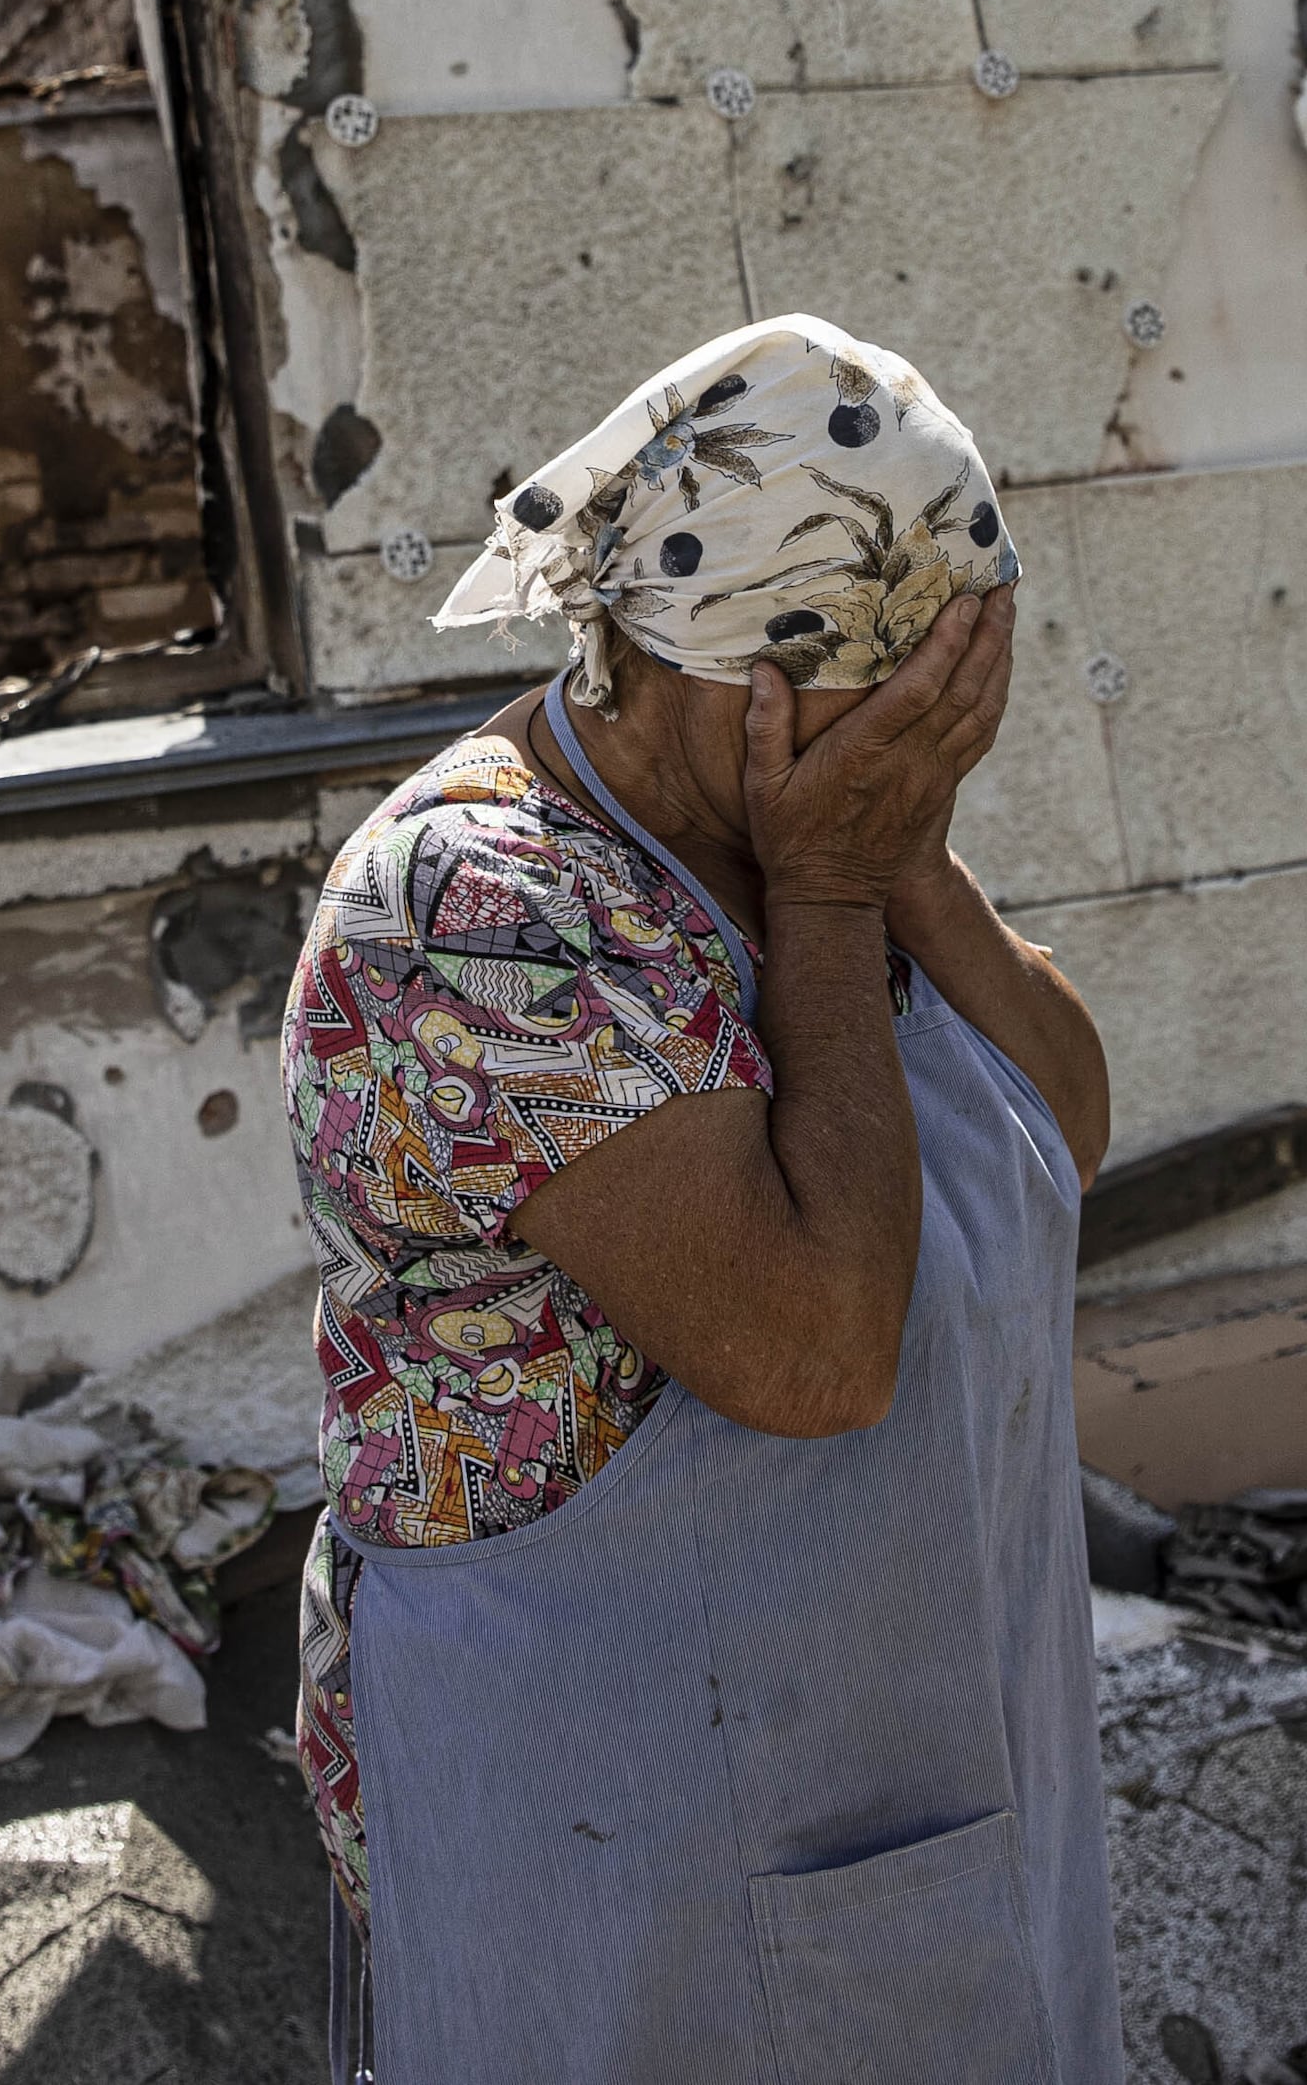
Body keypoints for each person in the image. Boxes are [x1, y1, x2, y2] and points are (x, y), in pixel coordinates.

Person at [281, 314, 1117, 2082]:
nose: (918, 734)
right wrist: (827, 893)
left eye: (951, 693)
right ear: (696, 671)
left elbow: (1060, 1127)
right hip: (611, 1821)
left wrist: (906, 857)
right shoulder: (480, 905)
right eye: (882, 698)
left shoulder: (815, 813)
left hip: (876, 1781)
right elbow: (814, 1355)